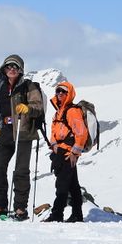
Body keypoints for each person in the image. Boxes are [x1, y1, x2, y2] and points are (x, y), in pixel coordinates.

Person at [0, 54, 45, 221]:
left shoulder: (28, 86)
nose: (12, 69)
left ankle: (20, 209)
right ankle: (0, 206)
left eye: (15, 67)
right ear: (4, 69)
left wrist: (28, 108)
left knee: (21, 170)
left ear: (20, 70)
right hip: (5, 131)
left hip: (23, 131)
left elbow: (38, 107)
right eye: (9, 66)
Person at [43, 81, 89, 223]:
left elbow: (81, 133)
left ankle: (57, 214)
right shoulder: (59, 112)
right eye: (58, 91)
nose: (60, 93)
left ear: (69, 94)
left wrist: (75, 153)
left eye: (64, 91)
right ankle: (77, 215)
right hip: (61, 152)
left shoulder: (72, 111)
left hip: (68, 153)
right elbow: (53, 132)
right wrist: (54, 145)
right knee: (73, 185)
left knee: (62, 185)